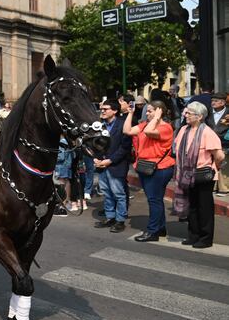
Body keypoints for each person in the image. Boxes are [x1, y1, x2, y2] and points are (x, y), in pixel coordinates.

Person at [173, 102, 225, 249]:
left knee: (205, 208)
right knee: (192, 206)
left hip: (203, 175)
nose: (186, 115)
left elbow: (219, 156)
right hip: (186, 174)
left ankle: (206, 238)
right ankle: (193, 235)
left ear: (200, 116)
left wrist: (213, 166)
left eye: (189, 113)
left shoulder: (207, 132)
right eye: (186, 112)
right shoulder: (183, 129)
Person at [124, 100, 175, 242]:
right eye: (147, 110)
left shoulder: (166, 127)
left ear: (159, 111)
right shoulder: (145, 124)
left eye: (150, 111)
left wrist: (158, 117)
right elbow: (127, 131)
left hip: (159, 168)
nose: (147, 113)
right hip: (146, 167)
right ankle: (160, 228)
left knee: (154, 200)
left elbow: (148, 132)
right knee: (156, 199)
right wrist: (130, 113)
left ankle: (153, 231)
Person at [93, 100, 132, 233]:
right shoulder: (99, 125)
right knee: (107, 193)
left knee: (118, 194)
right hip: (101, 165)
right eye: (102, 108)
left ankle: (120, 220)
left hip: (116, 165)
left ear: (115, 111)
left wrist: (110, 161)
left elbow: (125, 147)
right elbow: (94, 143)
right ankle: (110, 217)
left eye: (106, 109)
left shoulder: (122, 125)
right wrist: (95, 158)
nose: (102, 111)